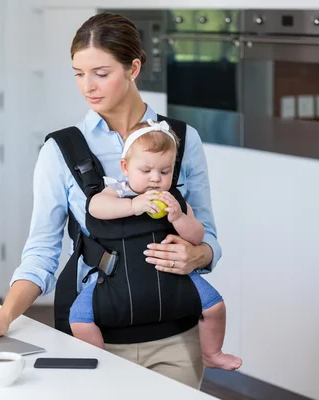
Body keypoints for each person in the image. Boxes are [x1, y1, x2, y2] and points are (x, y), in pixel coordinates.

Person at [0, 12, 223, 388]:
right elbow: (43, 250)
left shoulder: (182, 139)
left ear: (133, 67)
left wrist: (200, 254)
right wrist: (4, 316)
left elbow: (207, 233)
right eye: (79, 73)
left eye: (101, 72)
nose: (88, 87)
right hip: (95, 338)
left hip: (176, 339)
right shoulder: (61, 149)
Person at [68, 119, 242, 371]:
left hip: (172, 277)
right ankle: (99, 362)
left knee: (215, 306)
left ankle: (212, 353)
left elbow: (198, 235)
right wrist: (133, 205)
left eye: (164, 171)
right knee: (79, 318)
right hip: (117, 278)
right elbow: (95, 208)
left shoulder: (175, 201)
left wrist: (179, 218)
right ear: (125, 167)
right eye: (146, 170)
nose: (155, 179)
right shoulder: (117, 191)